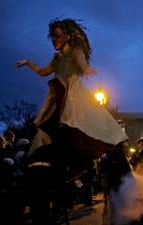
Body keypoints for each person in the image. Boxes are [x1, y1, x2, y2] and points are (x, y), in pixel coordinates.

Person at [16, 18, 128, 177]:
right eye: (53, 37)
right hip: (57, 95)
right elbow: (43, 72)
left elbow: (82, 64)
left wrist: (87, 69)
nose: (55, 40)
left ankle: (82, 163)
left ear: (68, 36)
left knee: (82, 126)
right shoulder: (56, 58)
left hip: (72, 94)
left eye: (58, 35)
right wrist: (28, 62)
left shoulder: (76, 51)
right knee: (49, 130)